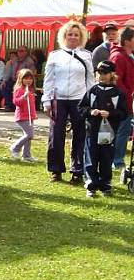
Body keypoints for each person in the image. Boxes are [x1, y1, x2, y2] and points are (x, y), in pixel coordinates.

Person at [43, 22, 94, 183]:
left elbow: (90, 80)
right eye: (69, 34)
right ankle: (55, 170)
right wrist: (46, 100)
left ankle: (77, 170)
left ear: (81, 37)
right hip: (59, 99)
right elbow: (49, 79)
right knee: (56, 134)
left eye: (76, 34)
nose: (72, 37)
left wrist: (92, 101)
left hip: (79, 99)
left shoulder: (87, 55)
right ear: (64, 36)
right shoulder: (55, 55)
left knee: (80, 134)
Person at [79, 60, 127, 197]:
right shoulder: (92, 90)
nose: (102, 76)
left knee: (106, 159)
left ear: (112, 74)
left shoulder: (118, 93)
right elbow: (81, 108)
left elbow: (123, 113)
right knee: (91, 158)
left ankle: (105, 184)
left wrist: (111, 114)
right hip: (92, 131)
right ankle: (91, 184)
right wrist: (90, 112)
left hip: (109, 133)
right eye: (99, 73)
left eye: (105, 73)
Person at [109, 26, 134, 175]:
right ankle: (116, 161)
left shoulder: (128, 55)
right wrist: (130, 94)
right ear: (127, 40)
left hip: (128, 101)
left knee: (123, 131)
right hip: (122, 102)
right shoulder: (118, 57)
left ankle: (117, 160)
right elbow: (116, 82)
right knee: (121, 132)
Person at [10, 68, 37, 163]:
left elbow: (32, 105)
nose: (28, 81)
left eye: (30, 79)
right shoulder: (19, 90)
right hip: (22, 117)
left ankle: (26, 155)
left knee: (28, 137)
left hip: (29, 116)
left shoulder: (30, 90)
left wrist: (34, 115)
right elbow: (16, 102)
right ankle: (15, 148)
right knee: (29, 135)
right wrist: (23, 97)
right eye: (26, 79)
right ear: (21, 79)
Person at [1, 46, 36, 112]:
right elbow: (8, 72)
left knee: (18, 88)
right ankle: (10, 105)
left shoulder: (29, 61)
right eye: (18, 51)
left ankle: (14, 106)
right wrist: (4, 81)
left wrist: (21, 76)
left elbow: (31, 73)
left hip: (23, 81)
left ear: (26, 52)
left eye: (22, 51)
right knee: (4, 86)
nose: (19, 52)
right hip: (13, 80)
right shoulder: (13, 60)